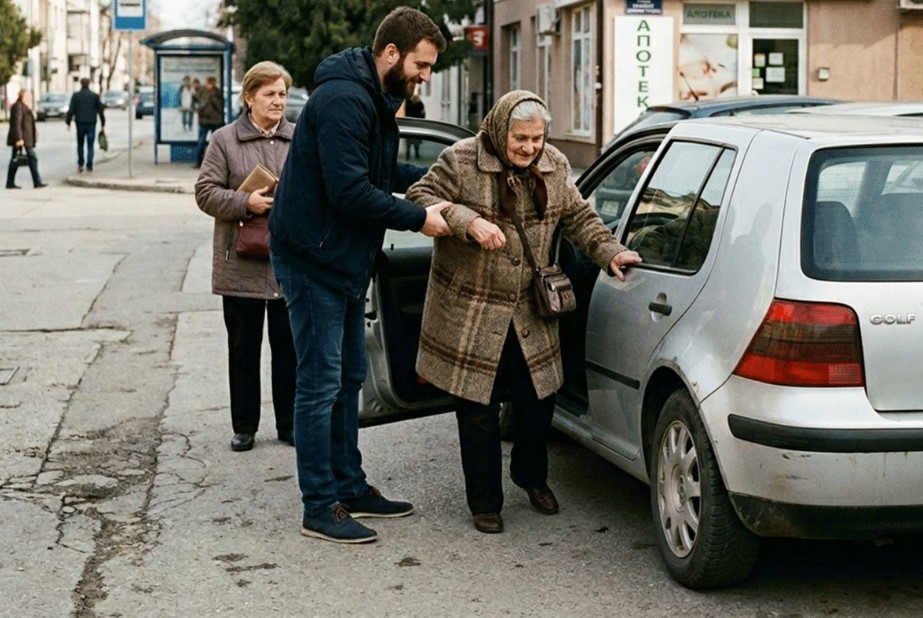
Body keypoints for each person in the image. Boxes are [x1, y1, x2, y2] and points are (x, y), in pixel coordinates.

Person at [405, 90, 643, 534]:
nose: (529, 147)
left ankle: (530, 475)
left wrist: (611, 251)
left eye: (536, 138)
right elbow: (420, 198)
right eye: (520, 138)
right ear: (499, 130)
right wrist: (466, 222)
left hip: (529, 310)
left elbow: (578, 216)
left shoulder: (553, 164)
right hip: (473, 310)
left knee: (539, 401)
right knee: (477, 407)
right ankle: (485, 501)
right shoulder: (461, 160)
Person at [268, 6, 450, 545]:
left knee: (348, 376)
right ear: (390, 53)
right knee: (321, 382)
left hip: (342, 260)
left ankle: (349, 484)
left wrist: (439, 180)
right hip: (313, 260)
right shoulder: (346, 99)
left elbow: (380, 171)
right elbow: (349, 190)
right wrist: (421, 219)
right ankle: (319, 505)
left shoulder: (375, 97)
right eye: (421, 64)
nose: (425, 75)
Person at [194, 61, 297, 453]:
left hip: (288, 264)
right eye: (269, 94)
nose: (277, 101)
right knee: (243, 348)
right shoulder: (224, 140)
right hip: (240, 263)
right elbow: (205, 192)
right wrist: (245, 201)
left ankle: (288, 424)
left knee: (289, 350)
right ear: (249, 98)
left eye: (282, 94)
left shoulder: (299, 137)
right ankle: (245, 426)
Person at [6, 89, 47, 190]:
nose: (30, 98)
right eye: (28, 96)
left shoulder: (24, 106)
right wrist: (19, 138)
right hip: (22, 138)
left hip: (26, 137)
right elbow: (16, 123)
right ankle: (36, 182)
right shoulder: (18, 106)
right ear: (22, 96)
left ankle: (10, 182)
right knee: (31, 158)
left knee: (15, 159)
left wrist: (35, 131)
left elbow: (28, 122)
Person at [65, 78, 106, 173]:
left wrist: (68, 122)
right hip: (91, 123)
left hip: (80, 123)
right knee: (90, 145)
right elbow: (100, 110)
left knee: (80, 144)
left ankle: (80, 163)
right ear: (89, 84)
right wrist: (103, 123)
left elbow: (71, 110)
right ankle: (89, 165)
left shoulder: (76, 96)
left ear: (81, 84)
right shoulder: (94, 96)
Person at [194, 76, 225, 168]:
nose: (210, 86)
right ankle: (199, 162)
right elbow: (198, 104)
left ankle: (214, 163)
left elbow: (220, 107)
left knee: (215, 143)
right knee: (201, 142)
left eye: (212, 83)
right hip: (204, 120)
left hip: (215, 121)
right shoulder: (202, 91)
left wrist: (213, 98)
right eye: (209, 83)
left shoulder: (217, 92)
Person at [404, 92, 425, 158]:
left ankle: (408, 154)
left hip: (409, 124)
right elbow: (423, 114)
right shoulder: (420, 104)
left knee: (408, 140)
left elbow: (406, 113)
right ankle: (416, 154)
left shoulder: (408, 103)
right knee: (417, 139)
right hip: (417, 124)